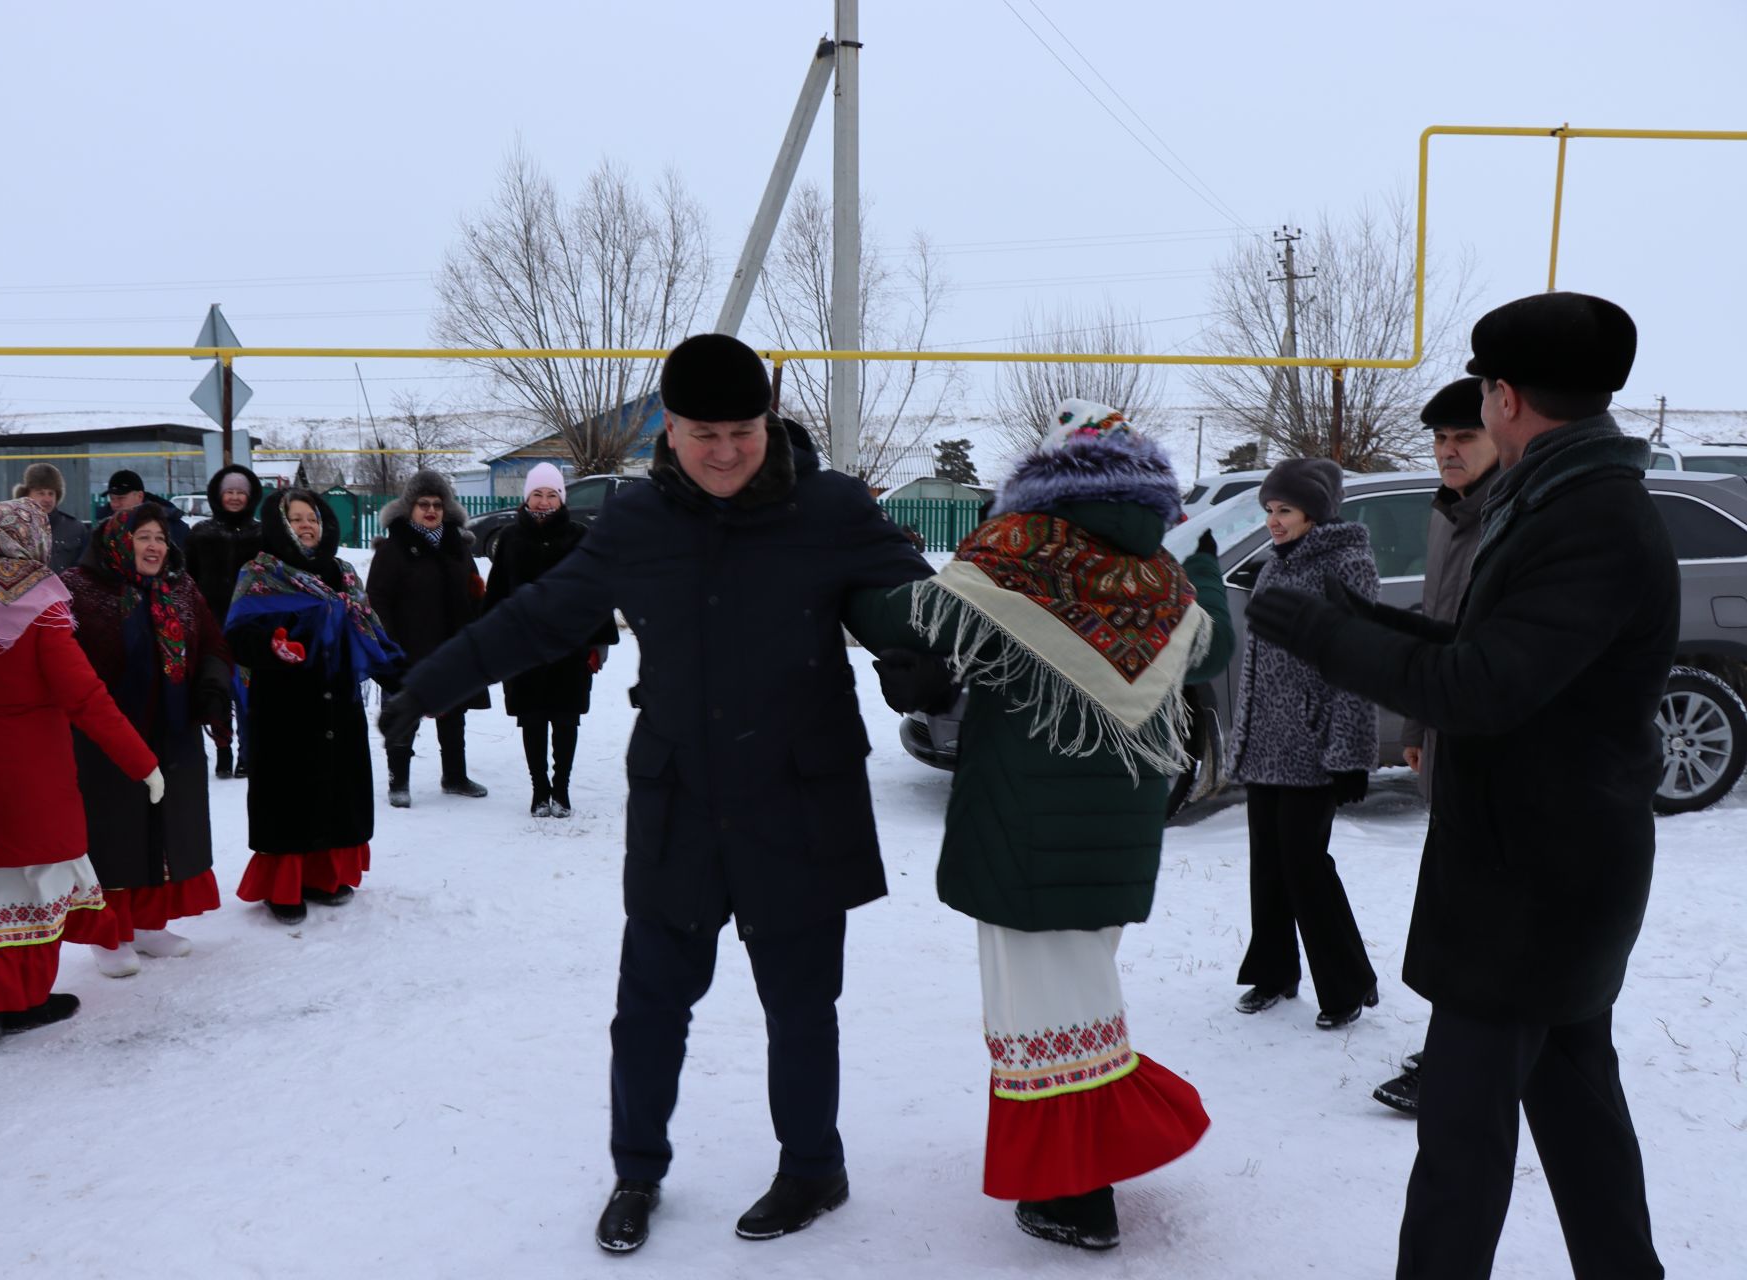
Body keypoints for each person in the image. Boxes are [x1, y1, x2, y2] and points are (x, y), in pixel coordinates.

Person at [377, 333, 933, 1254]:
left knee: (801, 1004)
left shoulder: (829, 506)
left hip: (799, 795)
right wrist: (428, 686)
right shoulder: (638, 521)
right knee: (648, 1006)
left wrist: (926, 666)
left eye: (743, 430)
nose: (724, 449)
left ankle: (813, 1169)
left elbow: (911, 602)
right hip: (681, 799)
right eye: (702, 430)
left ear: (769, 424)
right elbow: (541, 615)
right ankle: (637, 1170)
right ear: (667, 430)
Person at [1245, 292, 1669, 1279]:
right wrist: (1362, 615)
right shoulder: (1563, 496)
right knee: (1579, 1117)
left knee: (1461, 1143)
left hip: (1534, 883)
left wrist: (1320, 631)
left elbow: (1481, 689)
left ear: (1509, 397)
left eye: (1482, 392)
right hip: (1547, 871)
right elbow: (1487, 651)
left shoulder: (1590, 517)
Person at [844, 401, 1235, 1251]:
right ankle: (1077, 1173)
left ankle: (1077, 1190)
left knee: (1037, 1011)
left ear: (1043, 479)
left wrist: (849, 559)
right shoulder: (1163, 577)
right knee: (1079, 989)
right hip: (1123, 832)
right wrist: (1203, 577)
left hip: (1022, 826)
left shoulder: (1021, 554)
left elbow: (897, 618)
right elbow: (1211, 652)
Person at [0, 499, 164, 1048]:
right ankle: (25, 998)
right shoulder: (42, 609)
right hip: (30, 771)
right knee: (37, 881)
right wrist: (141, 762)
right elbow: (86, 697)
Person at [1374, 375, 1502, 1117]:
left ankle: (1456, 1062)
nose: (1449, 452)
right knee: (1456, 904)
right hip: (1448, 734)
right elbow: (1435, 622)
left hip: (1489, 743)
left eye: (1465, 438)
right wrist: (1418, 726)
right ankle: (1461, 1048)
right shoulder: (1449, 512)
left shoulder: (1508, 517)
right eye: (1442, 440)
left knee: (1473, 910)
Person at [1225, 458, 1381, 1030]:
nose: (1273, 521)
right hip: (1267, 743)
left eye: (1284, 510)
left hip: (1315, 748)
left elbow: (1357, 665)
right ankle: (1273, 974)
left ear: (1315, 512)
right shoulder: (1276, 567)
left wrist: (1350, 754)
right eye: (1269, 510)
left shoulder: (1346, 566)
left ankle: (1349, 983)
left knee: (1304, 864)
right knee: (1267, 862)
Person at [61, 507, 234, 978]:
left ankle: (148, 925)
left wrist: (213, 689)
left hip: (172, 733)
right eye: (143, 536)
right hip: (105, 736)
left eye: (160, 537)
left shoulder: (181, 588)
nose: (155, 546)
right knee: (114, 830)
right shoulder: (78, 590)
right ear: (118, 540)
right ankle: (108, 933)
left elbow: (215, 646)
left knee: (165, 828)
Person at [224, 488, 402, 925]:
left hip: (337, 703)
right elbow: (238, 637)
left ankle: (325, 876)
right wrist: (272, 644)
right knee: (290, 794)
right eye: (297, 518)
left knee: (336, 788)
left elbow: (370, 635)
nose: (307, 525)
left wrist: (405, 680)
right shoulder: (260, 572)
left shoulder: (342, 575)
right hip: (284, 706)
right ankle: (284, 888)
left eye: (314, 519)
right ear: (279, 526)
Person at [479, 462, 619, 817]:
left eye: (551, 494)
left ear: (562, 498)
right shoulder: (510, 538)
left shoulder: (579, 535)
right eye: (537, 494)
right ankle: (540, 789)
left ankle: (562, 789)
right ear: (527, 498)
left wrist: (597, 645)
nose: (544, 501)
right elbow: (497, 592)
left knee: (566, 718)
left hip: (569, 647)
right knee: (532, 718)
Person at [365, 469, 491, 808]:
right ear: (410, 508)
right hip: (406, 647)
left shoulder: (457, 546)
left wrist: (478, 607)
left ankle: (454, 776)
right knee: (404, 714)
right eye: (423, 504)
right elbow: (376, 599)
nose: (431, 510)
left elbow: (473, 588)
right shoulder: (393, 549)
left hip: (451, 646)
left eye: (437, 504)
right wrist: (389, 646)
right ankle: (399, 782)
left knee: (454, 712)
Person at [186, 464, 265, 778]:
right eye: (229, 492)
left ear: (250, 496)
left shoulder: (262, 534)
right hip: (212, 626)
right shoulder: (201, 534)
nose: (234, 497)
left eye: (240, 492)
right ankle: (223, 750)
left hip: (251, 627)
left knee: (248, 696)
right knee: (217, 690)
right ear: (218, 496)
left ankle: (247, 753)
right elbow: (187, 579)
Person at [12, 462, 90, 573]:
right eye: (41, 493)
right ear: (26, 494)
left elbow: (84, 571)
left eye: (51, 493)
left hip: (65, 589)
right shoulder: (14, 528)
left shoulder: (76, 529)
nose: (47, 499)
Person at [96, 469, 192, 551]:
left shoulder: (173, 527)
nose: (115, 504)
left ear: (139, 496)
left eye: (121, 498)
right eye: (112, 499)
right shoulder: (103, 528)